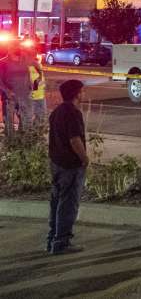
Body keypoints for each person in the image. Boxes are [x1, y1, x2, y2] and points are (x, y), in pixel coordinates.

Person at [47, 79, 88, 254]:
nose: (84, 94)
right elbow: (74, 139)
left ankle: (52, 239)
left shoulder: (56, 112)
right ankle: (62, 242)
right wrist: (84, 158)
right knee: (69, 203)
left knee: (56, 202)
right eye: (82, 91)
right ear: (77, 93)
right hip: (70, 165)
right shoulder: (73, 113)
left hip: (56, 163)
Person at [1, 42, 34, 134]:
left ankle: (22, 137)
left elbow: (28, 74)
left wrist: (30, 86)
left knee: (24, 117)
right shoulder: (3, 62)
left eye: (18, 47)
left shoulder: (23, 61)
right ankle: (10, 140)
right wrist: (7, 91)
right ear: (9, 48)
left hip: (24, 94)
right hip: (9, 96)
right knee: (8, 118)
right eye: (15, 46)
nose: (18, 48)